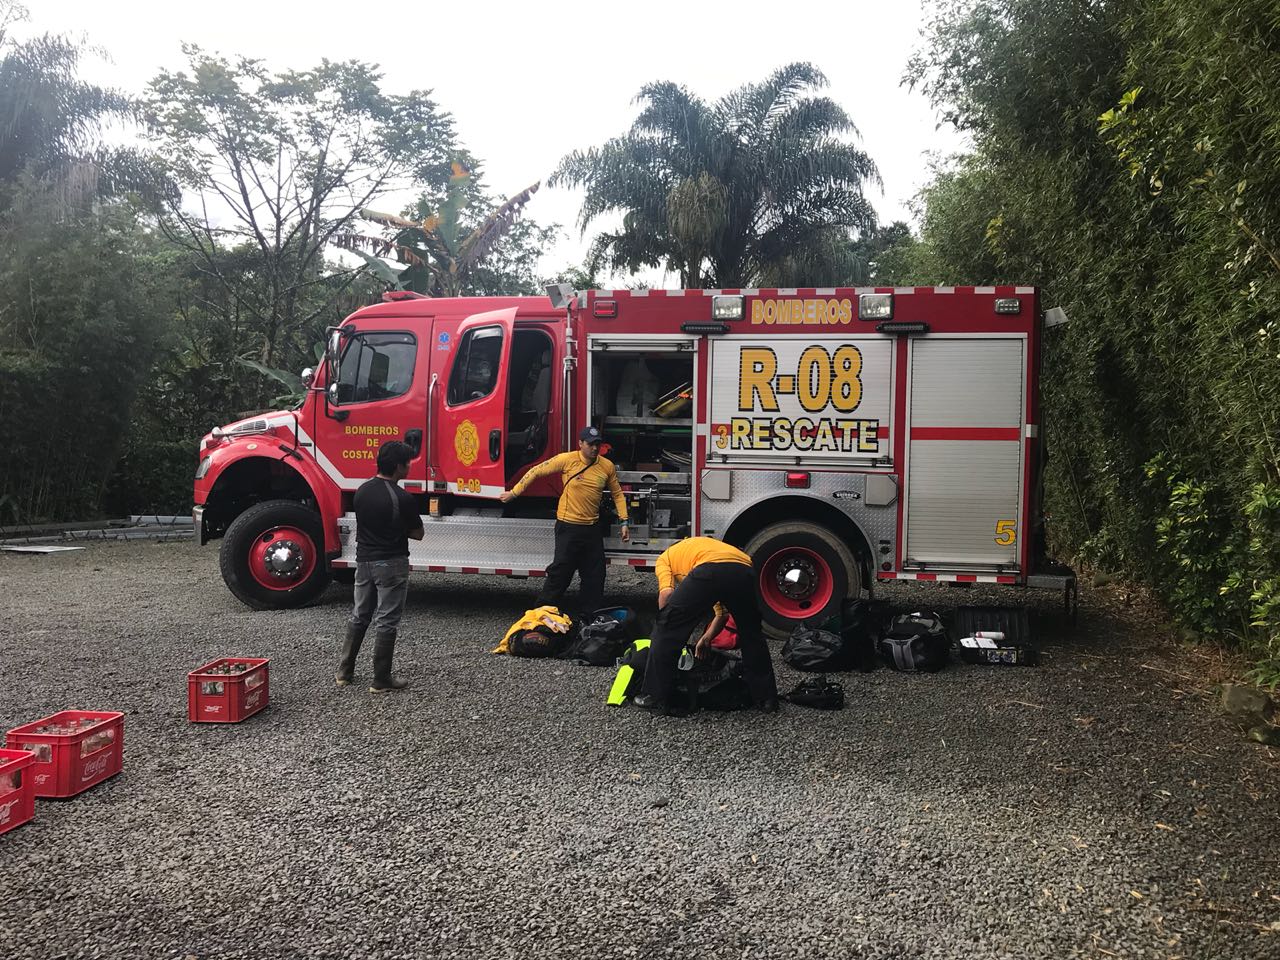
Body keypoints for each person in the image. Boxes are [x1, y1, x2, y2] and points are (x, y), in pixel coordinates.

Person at [636, 536, 779, 716]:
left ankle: (655, 696)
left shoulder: (665, 557)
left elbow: (667, 594)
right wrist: (706, 638)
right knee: (751, 634)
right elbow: (722, 613)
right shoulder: (700, 547)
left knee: (667, 627)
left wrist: (665, 625)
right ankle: (766, 698)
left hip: (709, 570)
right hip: (744, 568)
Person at [499, 426, 629, 619]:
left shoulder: (606, 466)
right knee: (560, 573)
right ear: (580, 444)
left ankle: (589, 617)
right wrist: (514, 493)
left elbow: (617, 494)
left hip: (592, 529)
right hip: (568, 527)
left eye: (597, 444)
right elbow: (536, 471)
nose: (594, 448)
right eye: (590, 444)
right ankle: (541, 613)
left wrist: (624, 521)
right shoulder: (567, 460)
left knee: (595, 575)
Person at [336, 440, 424, 693]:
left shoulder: (362, 491)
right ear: (399, 467)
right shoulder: (402, 497)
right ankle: (381, 679)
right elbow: (418, 533)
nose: (409, 467)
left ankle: (344, 672)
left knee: (360, 614)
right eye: (408, 463)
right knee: (387, 619)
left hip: (363, 562)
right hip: (392, 563)